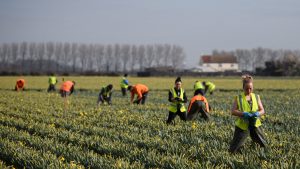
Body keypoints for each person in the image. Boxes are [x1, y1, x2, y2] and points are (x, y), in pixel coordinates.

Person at [229, 75, 267, 153]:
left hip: (255, 123)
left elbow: (262, 110)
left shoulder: (256, 97)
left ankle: (264, 156)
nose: (249, 91)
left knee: (262, 144)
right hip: (242, 125)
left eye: (251, 88)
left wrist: (257, 113)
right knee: (234, 147)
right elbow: (233, 111)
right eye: (247, 89)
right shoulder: (238, 97)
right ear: (243, 88)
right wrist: (243, 114)